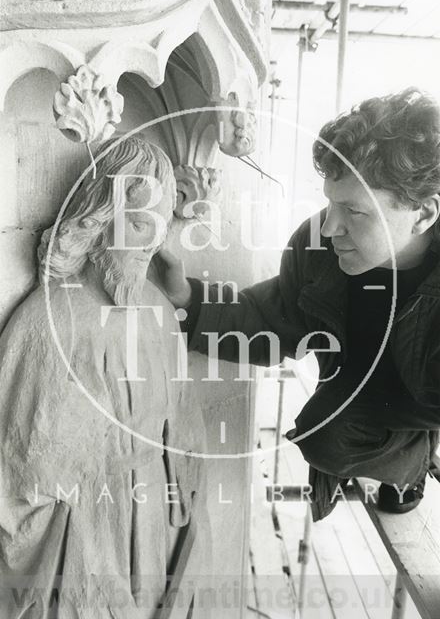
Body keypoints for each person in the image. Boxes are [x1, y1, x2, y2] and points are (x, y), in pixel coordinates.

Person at [155, 87, 440, 521]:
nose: (329, 227)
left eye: (354, 211)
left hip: (427, 403)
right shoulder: (318, 247)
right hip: (359, 400)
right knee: (325, 433)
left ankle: (415, 460)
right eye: (329, 203)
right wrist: (188, 301)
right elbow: (269, 318)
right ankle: (408, 462)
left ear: (422, 214)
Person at [0, 136, 208, 618]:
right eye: (139, 222)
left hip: (154, 523)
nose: (153, 241)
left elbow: (183, 437)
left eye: (161, 224)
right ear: (98, 218)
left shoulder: (157, 311)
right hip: (85, 538)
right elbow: (19, 470)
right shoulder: (49, 320)